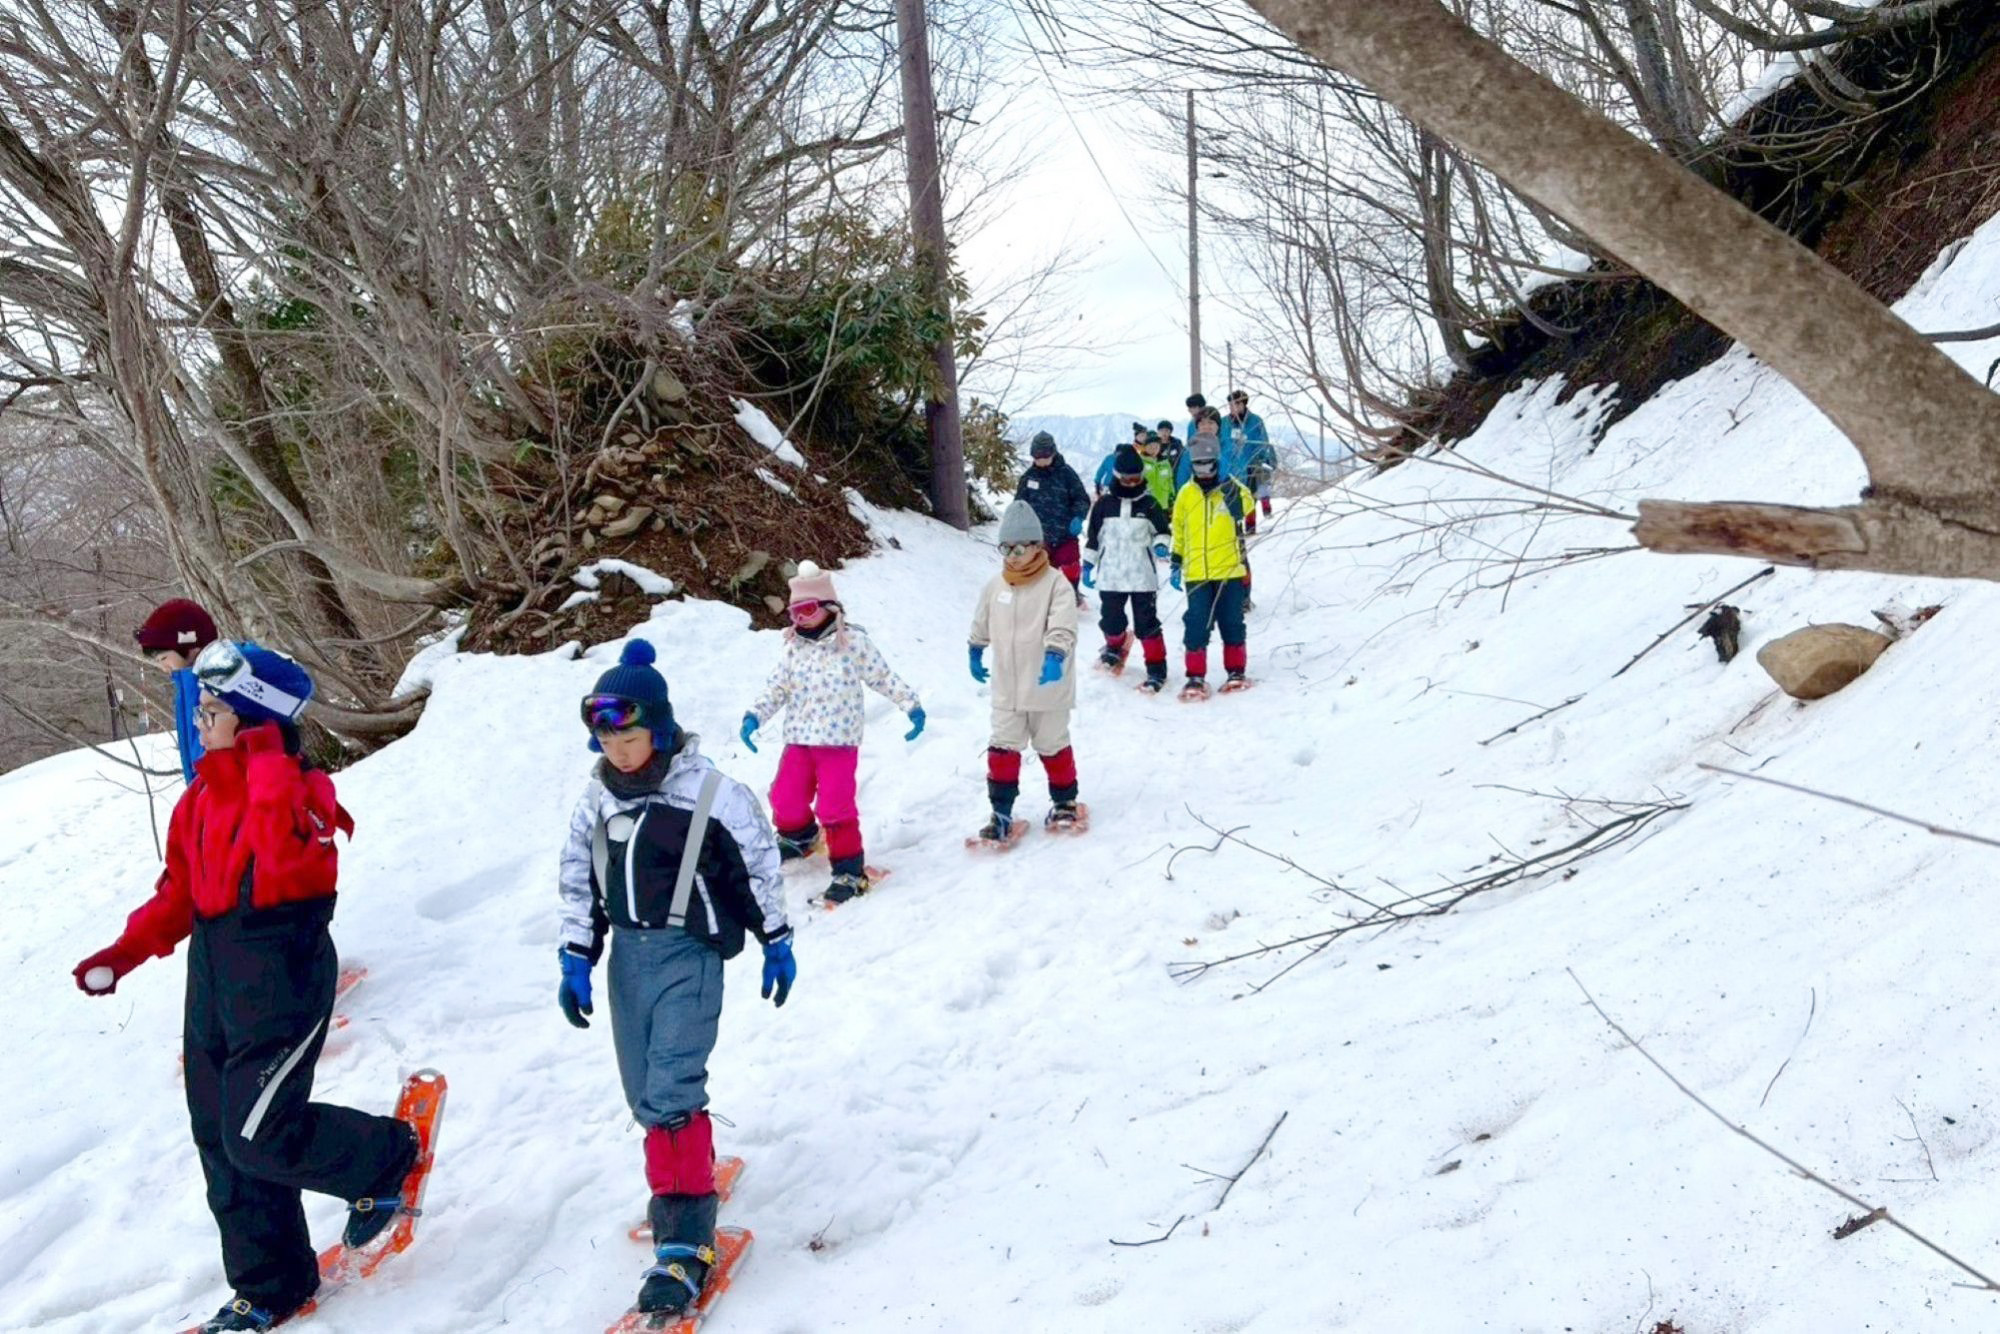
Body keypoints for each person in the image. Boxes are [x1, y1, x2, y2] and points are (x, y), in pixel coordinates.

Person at [73, 640, 423, 1334]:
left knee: (260, 1133)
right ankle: (273, 1281)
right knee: (217, 1137)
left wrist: (262, 755)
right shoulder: (199, 798)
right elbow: (180, 892)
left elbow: (284, 861)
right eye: (199, 709)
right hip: (214, 973)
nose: (197, 722)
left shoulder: (300, 791)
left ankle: (386, 1157)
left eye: (212, 711)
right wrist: (125, 951)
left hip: (282, 972)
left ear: (255, 720)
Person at [558, 639, 795, 1320]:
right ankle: (686, 1158)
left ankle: (684, 1244)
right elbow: (579, 877)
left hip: (689, 953)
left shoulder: (708, 793)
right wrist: (576, 955)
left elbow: (757, 863)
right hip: (627, 961)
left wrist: (776, 939)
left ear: (658, 728)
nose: (616, 747)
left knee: (668, 1091)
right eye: (603, 734)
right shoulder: (596, 799)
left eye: (627, 732)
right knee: (644, 1094)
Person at [741, 561, 924, 904]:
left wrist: (910, 705)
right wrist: (754, 716)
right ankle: (800, 836)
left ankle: (848, 870)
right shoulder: (794, 647)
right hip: (799, 739)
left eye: (807, 609)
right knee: (784, 795)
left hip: (838, 742)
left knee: (835, 806)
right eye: (794, 612)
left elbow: (882, 677)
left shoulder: (851, 641)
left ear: (828, 607)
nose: (800, 618)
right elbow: (776, 688)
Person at [968, 500, 1081, 842]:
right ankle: (1000, 813)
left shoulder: (1055, 584)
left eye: (1020, 548)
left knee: (1052, 744)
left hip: (1047, 686)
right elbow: (982, 620)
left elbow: (1063, 624)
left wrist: (1055, 655)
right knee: (1002, 747)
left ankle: (1065, 802)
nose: (1013, 555)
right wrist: (975, 647)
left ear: (1037, 546)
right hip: (1007, 688)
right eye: (1006, 548)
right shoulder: (996, 586)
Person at [1170, 432, 1256, 698]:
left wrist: (1229, 485)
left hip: (1229, 570)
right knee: (1196, 624)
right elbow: (1180, 529)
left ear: (1216, 463)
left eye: (1208, 465)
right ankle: (1195, 677)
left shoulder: (1231, 489)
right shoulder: (1186, 494)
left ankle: (1236, 671)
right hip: (1197, 573)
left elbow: (1247, 506)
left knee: (1232, 622)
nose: (1204, 472)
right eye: (1198, 466)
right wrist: (1176, 559)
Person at [1082, 445, 1172, 693]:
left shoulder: (1150, 504)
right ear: (1117, 476)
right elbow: (1093, 537)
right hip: (1111, 575)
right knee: (1111, 621)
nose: (1133, 483)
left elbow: (1163, 531)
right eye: (1127, 479)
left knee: (1147, 624)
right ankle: (1115, 646)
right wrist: (1088, 564)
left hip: (1141, 576)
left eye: (1137, 478)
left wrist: (1162, 545)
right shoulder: (1103, 506)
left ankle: (1156, 668)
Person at [135, 597, 219, 785]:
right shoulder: (188, 686)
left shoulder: (216, 687)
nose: (164, 668)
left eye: (164, 658)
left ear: (191, 647)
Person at [1013, 430, 1090, 591]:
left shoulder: (1066, 474)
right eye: (1037, 458)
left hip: (1065, 533)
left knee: (1071, 566)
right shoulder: (1028, 478)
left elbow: (1082, 499)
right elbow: (1019, 505)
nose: (1041, 461)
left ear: (1053, 453)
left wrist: (1078, 516)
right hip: (1039, 537)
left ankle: (1072, 594)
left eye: (1045, 457)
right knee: (1042, 571)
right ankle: (1043, 599)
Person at [1223, 390, 1277, 534]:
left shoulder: (1255, 421)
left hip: (1252, 463)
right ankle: (1236, 525)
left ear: (1243, 404)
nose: (1232, 408)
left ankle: (1251, 524)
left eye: (1235, 404)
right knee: (1236, 496)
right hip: (1232, 466)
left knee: (1250, 495)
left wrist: (1260, 459)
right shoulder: (1225, 423)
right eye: (1230, 405)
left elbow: (1263, 442)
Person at [1093, 422, 1151, 497]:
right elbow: (1101, 471)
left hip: (1123, 486)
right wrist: (1097, 483)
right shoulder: (1110, 459)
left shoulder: (1125, 459)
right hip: (1109, 486)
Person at [1138, 431, 1177, 511]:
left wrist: (1172, 497)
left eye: (1156, 445)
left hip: (1163, 505)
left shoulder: (1165, 463)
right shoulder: (1139, 461)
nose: (1154, 448)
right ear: (1145, 447)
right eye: (1150, 445)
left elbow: (1170, 481)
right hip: (1145, 506)